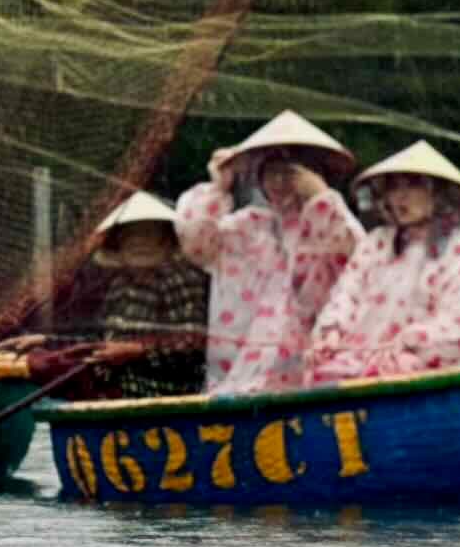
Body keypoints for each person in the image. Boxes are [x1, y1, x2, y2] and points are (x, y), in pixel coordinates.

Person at [173, 110, 364, 394]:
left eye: (289, 173)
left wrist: (321, 197)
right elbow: (196, 242)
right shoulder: (251, 226)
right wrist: (218, 187)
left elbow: (357, 257)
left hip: (314, 365)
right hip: (246, 369)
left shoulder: (329, 218)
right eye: (270, 173)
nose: (278, 183)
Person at [304, 141, 460, 383]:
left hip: (427, 367)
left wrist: (409, 342)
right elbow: (346, 294)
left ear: (439, 194)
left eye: (414, 186)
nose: (401, 197)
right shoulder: (376, 244)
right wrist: (332, 332)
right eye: (394, 188)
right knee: (322, 374)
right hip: (359, 357)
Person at [84, 188, 211, 397]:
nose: (139, 242)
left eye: (148, 234)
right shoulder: (120, 283)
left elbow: (192, 343)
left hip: (161, 395)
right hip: (115, 387)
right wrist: (46, 341)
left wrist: (136, 351)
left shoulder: (179, 278)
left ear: (166, 241)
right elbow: (101, 336)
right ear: (118, 244)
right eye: (130, 235)